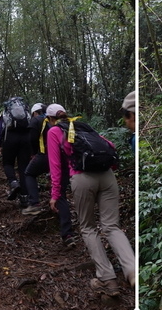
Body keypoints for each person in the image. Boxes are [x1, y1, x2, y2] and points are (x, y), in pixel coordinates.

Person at [46, 104, 136, 295]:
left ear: (50, 119)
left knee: (88, 227)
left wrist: (55, 195)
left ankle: (108, 280)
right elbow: (109, 145)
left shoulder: (54, 131)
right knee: (112, 226)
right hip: (107, 176)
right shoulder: (83, 125)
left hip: (82, 177)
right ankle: (133, 272)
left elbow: (55, 166)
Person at [20, 103, 79, 244]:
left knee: (28, 173)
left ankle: (34, 203)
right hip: (69, 163)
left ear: (49, 117)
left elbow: (34, 140)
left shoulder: (49, 127)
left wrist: (34, 154)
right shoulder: (73, 125)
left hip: (47, 156)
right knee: (61, 196)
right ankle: (68, 235)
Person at [0, 97, 32, 201]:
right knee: (23, 167)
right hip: (26, 139)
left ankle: (13, 183)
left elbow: (0, 127)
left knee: (8, 163)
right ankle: (25, 198)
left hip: (10, 138)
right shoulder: (26, 112)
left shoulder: (5, 112)